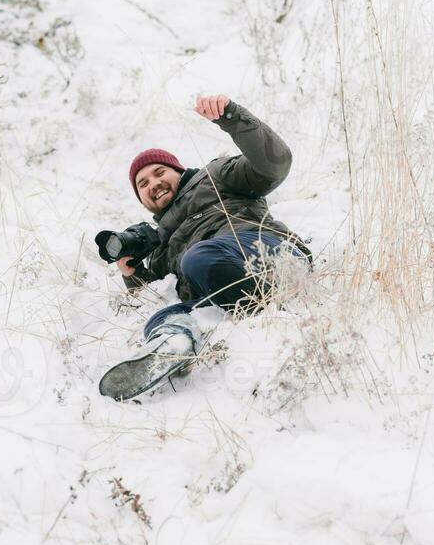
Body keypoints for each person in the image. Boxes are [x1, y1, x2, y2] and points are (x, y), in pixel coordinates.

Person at [98, 94, 311, 400]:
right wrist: (133, 275)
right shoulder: (160, 248)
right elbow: (150, 294)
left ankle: (275, 291)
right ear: (141, 199)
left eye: (159, 173)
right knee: (166, 314)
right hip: (224, 283)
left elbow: (275, 163)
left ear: (178, 171)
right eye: (142, 184)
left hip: (267, 250)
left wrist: (231, 117)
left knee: (198, 259)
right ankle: (173, 342)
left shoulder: (215, 176)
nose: (153, 184)